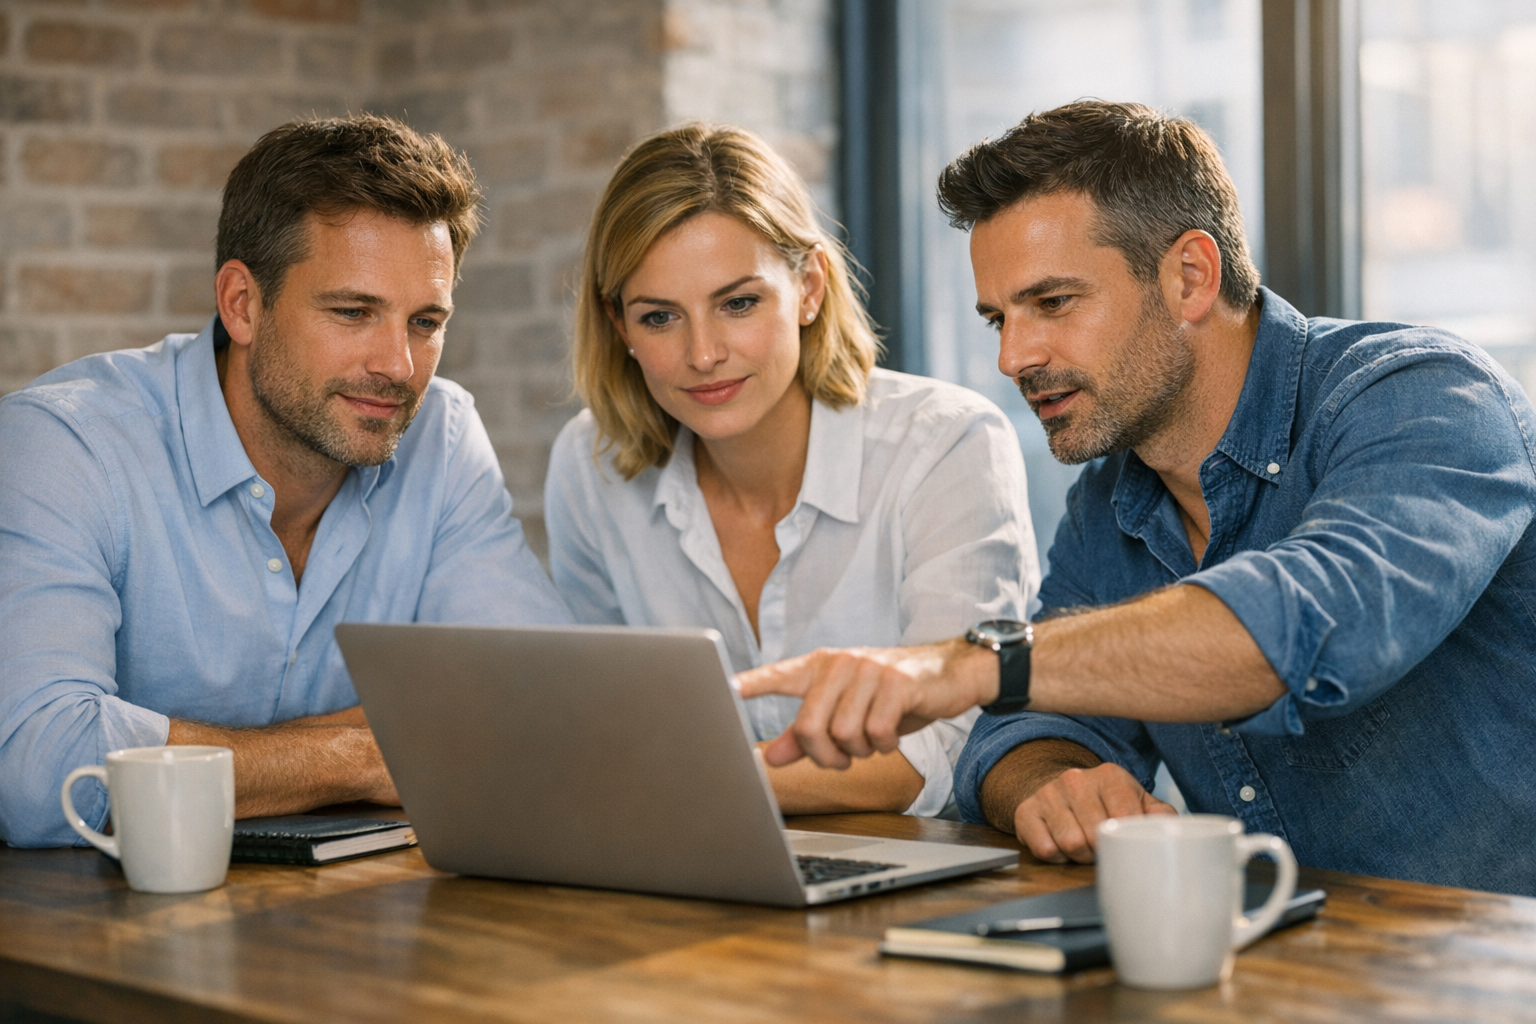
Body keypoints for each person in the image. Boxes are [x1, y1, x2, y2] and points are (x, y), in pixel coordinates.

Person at [736, 101, 1536, 895]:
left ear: (1190, 276)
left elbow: (1303, 624)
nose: (1014, 356)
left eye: (1052, 304)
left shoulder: (1422, 397)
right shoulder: (1107, 505)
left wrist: (976, 663)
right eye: (997, 320)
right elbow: (1024, 731)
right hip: (1287, 966)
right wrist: (1053, 780)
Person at [0, 115, 571, 848]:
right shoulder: (64, 445)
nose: (398, 365)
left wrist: (183, 751)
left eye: (425, 321)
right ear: (242, 303)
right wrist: (360, 753)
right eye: (353, 312)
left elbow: (547, 708)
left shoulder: (442, 435)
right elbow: (36, 767)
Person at [544, 123, 1038, 817]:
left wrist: (681, 783)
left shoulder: (946, 443)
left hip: (911, 878)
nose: (704, 353)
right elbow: (599, 711)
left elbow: (940, 750)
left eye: (738, 303)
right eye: (659, 318)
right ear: (619, 325)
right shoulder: (590, 464)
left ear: (808, 286)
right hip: (687, 862)